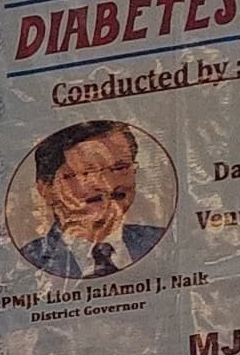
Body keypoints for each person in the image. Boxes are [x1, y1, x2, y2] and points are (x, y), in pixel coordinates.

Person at [16, 119, 165, 280]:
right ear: (47, 189)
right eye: (85, 174)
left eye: (120, 168)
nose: (109, 185)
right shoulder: (24, 265)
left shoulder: (164, 242)